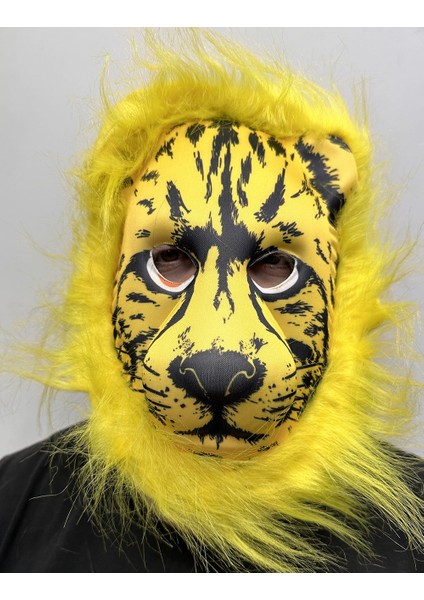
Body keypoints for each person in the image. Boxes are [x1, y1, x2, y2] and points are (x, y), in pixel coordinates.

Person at [1, 30, 423, 573]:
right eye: (169, 259)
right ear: (103, 285)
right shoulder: (13, 502)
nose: (218, 358)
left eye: (276, 265)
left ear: (343, 297)